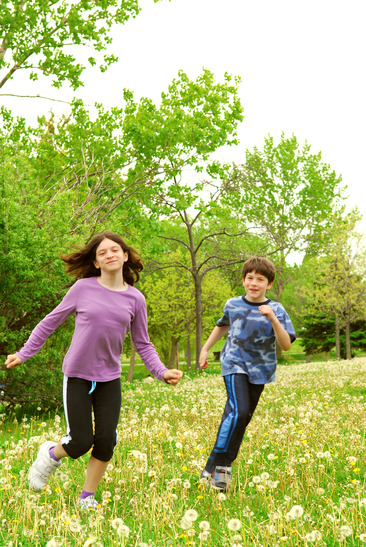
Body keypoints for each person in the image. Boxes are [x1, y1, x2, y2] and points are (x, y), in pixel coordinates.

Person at [5, 231, 183, 508]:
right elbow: (49, 322)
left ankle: (87, 497)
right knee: (79, 442)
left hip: (109, 379)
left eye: (115, 250)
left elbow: (143, 344)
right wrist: (24, 353)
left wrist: (162, 372)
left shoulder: (136, 299)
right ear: (97, 262)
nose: (109, 254)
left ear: (125, 256)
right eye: (102, 253)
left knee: (106, 441)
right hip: (77, 375)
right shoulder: (83, 288)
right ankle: (50, 454)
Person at [199, 256, 296, 492]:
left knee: (238, 420)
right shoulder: (232, 304)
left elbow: (286, 344)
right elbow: (222, 324)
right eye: (249, 278)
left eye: (260, 279)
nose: (254, 283)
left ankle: (217, 477)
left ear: (269, 284)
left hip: (260, 371)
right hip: (234, 364)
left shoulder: (277, 309)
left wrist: (272, 318)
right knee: (239, 412)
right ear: (243, 280)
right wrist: (205, 348)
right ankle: (214, 466)